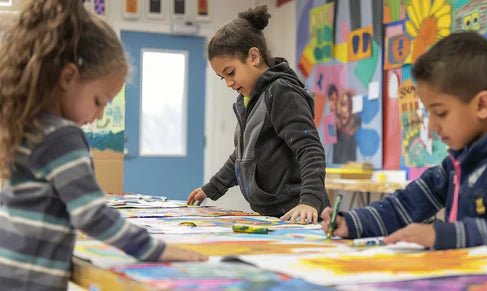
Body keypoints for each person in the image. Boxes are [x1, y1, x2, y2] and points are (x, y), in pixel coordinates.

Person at [0, 1, 206, 290]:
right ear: (68, 77)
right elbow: (91, 214)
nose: (98, 115)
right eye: (100, 101)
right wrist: (153, 250)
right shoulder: (61, 137)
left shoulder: (27, 126)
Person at [321, 31, 487, 251]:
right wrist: (351, 223)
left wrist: (439, 234)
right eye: (429, 114)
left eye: (441, 113)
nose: (432, 126)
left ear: (482, 105)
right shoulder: (457, 163)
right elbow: (405, 206)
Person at [187, 5, 329, 224]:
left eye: (230, 73)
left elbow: (310, 149)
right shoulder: (247, 100)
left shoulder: (281, 91)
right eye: (222, 78)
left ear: (253, 56)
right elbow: (242, 155)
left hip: (300, 213)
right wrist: (211, 188)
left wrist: (310, 201)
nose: (228, 83)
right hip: (274, 215)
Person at [333, 91, 359, 163]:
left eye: (350, 106)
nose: (346, 110)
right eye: (343, 104)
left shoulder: (355, 133)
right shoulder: (333, 132)